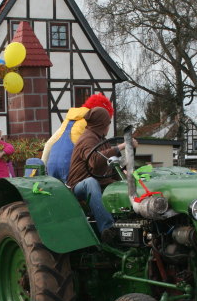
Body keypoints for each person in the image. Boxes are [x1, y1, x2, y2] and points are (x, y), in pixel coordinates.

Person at [66, 107, 137, 241]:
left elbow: (111, 164)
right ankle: (107, 228)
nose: (109, 126)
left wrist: (125, 177)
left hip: (101, 182)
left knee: (128, 183)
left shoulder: (101, 140)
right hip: (79, 186)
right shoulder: (87, 139)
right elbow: (94, 161)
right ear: (101, 124)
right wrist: (121, 146)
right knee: (91, 182)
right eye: (108, 123)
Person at [43, 94, 114, 182]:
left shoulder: (68, 120)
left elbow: (48, 144)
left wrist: (43, 168)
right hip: (68, 165)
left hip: (52, 165)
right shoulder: (91, 124)